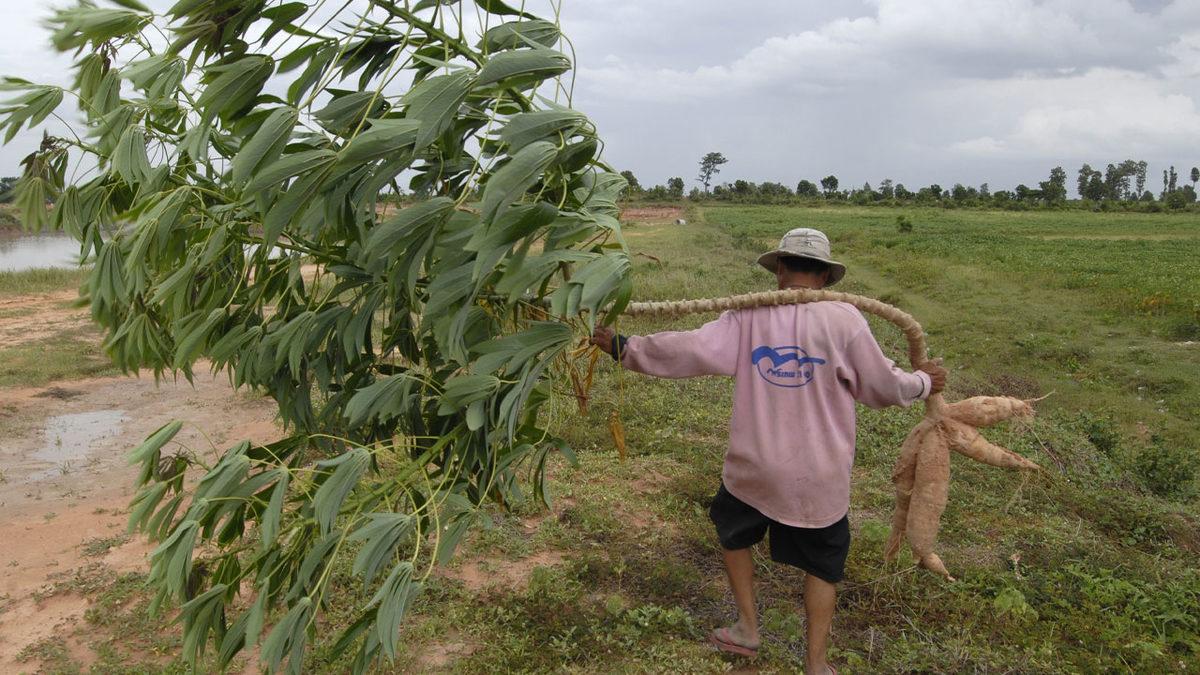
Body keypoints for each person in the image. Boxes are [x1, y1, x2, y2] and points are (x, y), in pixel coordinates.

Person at [591, 227, 947, 673]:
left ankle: (747, 628)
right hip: (817, 478)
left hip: (753, 468)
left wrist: (625, 347)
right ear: (825, 275)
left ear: (780, 269)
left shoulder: (751, 314)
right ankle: (816, 665)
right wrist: (923, 382)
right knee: (823, 567)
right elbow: (882, 385)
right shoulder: (845, 319)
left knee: (733, 534)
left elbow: (692, 348)